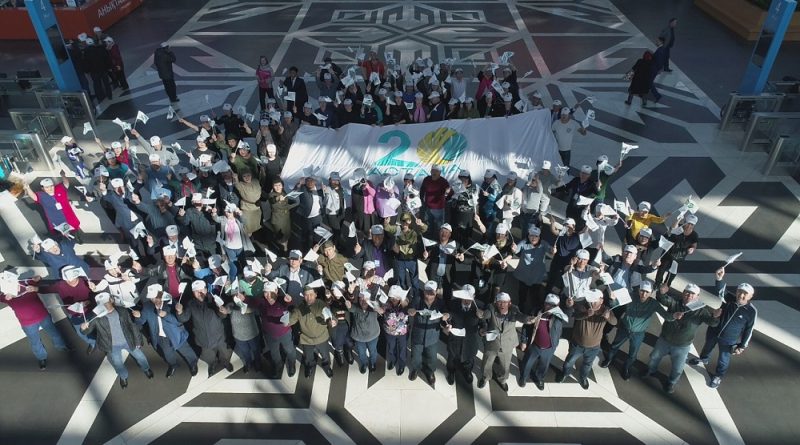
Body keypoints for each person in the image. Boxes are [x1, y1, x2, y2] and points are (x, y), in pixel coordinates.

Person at [646, 283, 721, 393]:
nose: (689, 295)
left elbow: (712, 323)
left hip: (682, 345)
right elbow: (663, 299)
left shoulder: (701, 310)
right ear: (683, 293)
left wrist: (715, 317)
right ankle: (650, 370)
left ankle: (671, 382)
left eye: (692, 294)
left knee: (677, 368)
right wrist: (661, 293)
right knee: (654, 357)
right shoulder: (675, 302)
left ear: (697, 296)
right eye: (687, 292)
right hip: (665, 339)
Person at [690, 268, 757, 389]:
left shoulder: (751, 311)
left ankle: (718, 376)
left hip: (729, 340)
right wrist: (719, 278)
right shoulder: (729, 299)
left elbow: (749, 329)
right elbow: (721, 290)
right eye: (739, 291)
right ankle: (704, 359)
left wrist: (742, 346)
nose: (741, 295)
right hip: (714, 330)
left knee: (723, 359)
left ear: (750, 296)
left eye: (745, 293)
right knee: (707, 346)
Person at [81, 293, 153, 388]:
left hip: (128, 341)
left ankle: (146, 369)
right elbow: (86, 331)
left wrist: (138, 340)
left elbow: (132, 326)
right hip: (112, 345)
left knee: (140, 356)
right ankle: (123, 376)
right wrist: (83, 328)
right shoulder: (96, 316)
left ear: (111, 300)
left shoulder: (122, 310)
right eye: (102, 304)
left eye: (106, 302)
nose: (105, 305)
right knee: (118, 364)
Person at [2, 274, 70, 370]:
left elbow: (37, 279)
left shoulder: (26, 283)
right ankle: (41, 358)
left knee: (54, 333)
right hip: (27, 323)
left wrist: (37, 278)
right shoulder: (5, 295)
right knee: (35, 342)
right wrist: (5, 296)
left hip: (43, 316)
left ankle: (61, 346)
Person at [601, 280, 666, 380]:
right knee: (614, 346)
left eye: (647, 292)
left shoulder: (654, 304)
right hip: (624, 328)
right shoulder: (630, 296)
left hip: (638, 333)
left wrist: (674, 315)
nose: (644, 294)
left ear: (651, 292)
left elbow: (666, 316)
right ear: (639, 290)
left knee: (633, 354)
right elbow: (615, 304)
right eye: (642, 291)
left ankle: (626, 367)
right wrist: (613, 299)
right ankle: (609, 359)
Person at [556, 289, 616, 389]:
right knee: (568, 362)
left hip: (594, 347)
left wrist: (608, 317)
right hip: (577, 344)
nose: (591, 303)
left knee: (587, 365)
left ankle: (583, 378)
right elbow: (575, 316)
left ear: (601, 300)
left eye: (594, 301)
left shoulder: (606, 310)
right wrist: (585, 314)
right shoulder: (583, 306)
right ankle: (565, 373)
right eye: (590, 300)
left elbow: (614, 322)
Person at [135, 286, 199, 378]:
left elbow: (178, 322)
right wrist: (138, 317)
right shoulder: (147, 306)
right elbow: (141, 321)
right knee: (168, 355)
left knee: (186, 350)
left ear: (161, 294)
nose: (153, 300)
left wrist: (166, 315)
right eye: (151, 298)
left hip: (175, 334)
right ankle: (173, 365)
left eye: (155, 297)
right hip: (161, 337)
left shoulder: (171, 303)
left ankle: (193, 363)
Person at [176, 280, 234, 376]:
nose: (199, 293)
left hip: (218, 337)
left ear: (206, 290)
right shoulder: (191, 304)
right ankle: (212, 364)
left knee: (224, 353)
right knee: (209, 356)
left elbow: (222, 316)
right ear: (193, 293)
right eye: (196, 291)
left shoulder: (214, 300)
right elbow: (184, 318)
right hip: (202, 339)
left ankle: (225, 362)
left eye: (202, 290)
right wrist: (180, 312)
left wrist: (223, 312)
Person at [478, 292, 530, 391]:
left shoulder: (514, 310)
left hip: (507, 343)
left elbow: (521, 316)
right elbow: (485, 314)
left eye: (505, 302)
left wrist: (528, 319)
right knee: (486, 363)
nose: (502, 305)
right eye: (499, 302)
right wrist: (481, 315)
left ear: (509, 303)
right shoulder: (491, 308)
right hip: (492, 342)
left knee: (505, 366)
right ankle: (485, 378)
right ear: (496, 303)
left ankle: (502, 380)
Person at [519, 293, 567, 389]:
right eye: (548, 304)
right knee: (527, 363)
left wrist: (569, 306)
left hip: (549, 348)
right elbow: (526, 327)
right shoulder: (535, 312)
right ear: (544, 303)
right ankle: (523, 378)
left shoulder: (559, 316)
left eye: (554, 305)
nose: (551, 307)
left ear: (558, 306)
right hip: (534, 346)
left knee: (543, 366)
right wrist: (523, 341)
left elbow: (568, 313)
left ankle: (539, 378)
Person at [287, 286, 336, 378]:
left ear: (316, 294)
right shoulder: (299, 308)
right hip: (307, 339)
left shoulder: (321, 304)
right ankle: (309, 366)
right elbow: (291, 320)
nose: (309, 297)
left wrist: (333, 321)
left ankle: (326, 366)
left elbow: (331, 316)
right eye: (306, 295)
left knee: (325, 355)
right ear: (303, 296)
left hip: (322, 337)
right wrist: (286, 320)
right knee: (308, 357)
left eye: (311, 294)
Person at [250, 281, 297, 377]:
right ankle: (278, 365)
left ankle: (292, 363)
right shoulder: (262, 301)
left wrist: (289, 301)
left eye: (270, 292)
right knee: (274, 352)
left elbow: (291, 306)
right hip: (269, 334)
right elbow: (251, 301)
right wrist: (243, 298)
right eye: (265, 292)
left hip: (285, 333)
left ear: (276, 291)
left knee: (289, 350)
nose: (268, 295)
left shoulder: (282, 299)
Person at [408, 280, 449, 385]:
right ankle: (416, 369)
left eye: (432, 292)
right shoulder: (417, 299)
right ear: (424, 291)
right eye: (427, 291)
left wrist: (447, 316)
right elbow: (410, 308)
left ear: (436, 291)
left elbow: (446, 314)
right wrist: (410, 310)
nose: (429, 294)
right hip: (418, 335)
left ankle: (430, 371)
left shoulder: (440, 303)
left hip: (433, 337)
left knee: (432, 358)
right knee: (415, 356)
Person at [444, 285, 482, 385]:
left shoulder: (479, 307)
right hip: (455, 339)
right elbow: (448, 316)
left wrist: (482, 329)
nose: (466, 300)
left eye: (469, 297)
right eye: (464, 297)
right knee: (452, 357)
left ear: (474, 296)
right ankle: (451, 372)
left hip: (470, 340)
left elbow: (483, 324)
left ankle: (467, 371)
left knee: (469, 358)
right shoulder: (453, 303)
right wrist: (446, 322)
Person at [25, 175, 82, 240]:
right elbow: (34, 197)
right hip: (58, 222)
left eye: (51, 186)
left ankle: (78, 237)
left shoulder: (60, 188)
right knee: (65, 237)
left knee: (75, 230)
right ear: (42, 188)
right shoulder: (41, 196)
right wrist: (27, 188)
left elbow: (66, 183)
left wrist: (63, 175)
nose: (50, 189)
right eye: (47, 187)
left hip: (70, 218)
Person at [513, 226, 553, 313]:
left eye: (536, 236)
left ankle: (535, 310)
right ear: (528, 236)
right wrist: (514, 248)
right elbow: (516, 250)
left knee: (535, 294)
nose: (533, 238)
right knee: (522, 293)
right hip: (523, 274)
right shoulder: (524, 242)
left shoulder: (543, 244)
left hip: (537, 275)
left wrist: (553, 250)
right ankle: (521, 308)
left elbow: (550, 250)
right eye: (531, 235)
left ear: (539, 237)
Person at [655, 213, 699, 286]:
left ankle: (666, 286)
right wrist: (677, 220)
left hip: (679, 257)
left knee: (672, 274)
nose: (689, 226)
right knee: (661, 269)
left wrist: (692, 249)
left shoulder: (694, 235)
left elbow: (694, 245)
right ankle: (657, 284)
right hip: (668, 253)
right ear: (684, 221)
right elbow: (672, 229)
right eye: (688, 223)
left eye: (692, 224)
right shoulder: (678, 227)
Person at [348, 290, 383, 373]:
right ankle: (364, 364)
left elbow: (381, 309)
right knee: (361, 352)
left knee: (373, 351)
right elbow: (350, 308)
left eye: (365, 299)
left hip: (372, 335)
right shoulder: (356, 308)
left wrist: (379, 308)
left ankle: (372, 363)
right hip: (359, 337)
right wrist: (348, 304)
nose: (363, 301)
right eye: (361, 299)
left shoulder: (373, 307)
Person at [420, 165, 450, 234]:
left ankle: (438, 239)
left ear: (440, 172)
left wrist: (447, 195)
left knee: (439, 227)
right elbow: (422, 189)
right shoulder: (426, 179)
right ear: (430, 171)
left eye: (436, 171)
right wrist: (421, 199)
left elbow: (449, 193)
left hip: (439, 209)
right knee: (428, 226)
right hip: (428, 208)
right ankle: (429, 238)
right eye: (433, 171)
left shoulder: (443, 181)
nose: (434, 173)